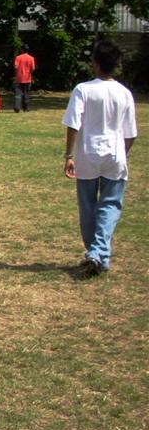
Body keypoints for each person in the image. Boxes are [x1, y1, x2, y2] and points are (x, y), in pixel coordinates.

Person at [62, 40, 137, 277]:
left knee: (88, 207)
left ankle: (95, 252)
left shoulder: (83, 89)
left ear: (94, 62)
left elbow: (73, 124)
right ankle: (99, 253)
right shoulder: (124, 93)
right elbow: (130, 133)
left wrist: (69, 154)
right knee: (110, 206)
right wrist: (122, 155)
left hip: (87, 154)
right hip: (114, 154)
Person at [14, 44, 36, 113]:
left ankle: (17, 108)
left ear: (22, 50)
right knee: (26, 93)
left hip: (19, 78)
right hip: (28, 78)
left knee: (18, 94)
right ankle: (26, 108)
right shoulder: (31, 58)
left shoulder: (18, 57)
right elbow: (33, 68)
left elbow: (15, 66)